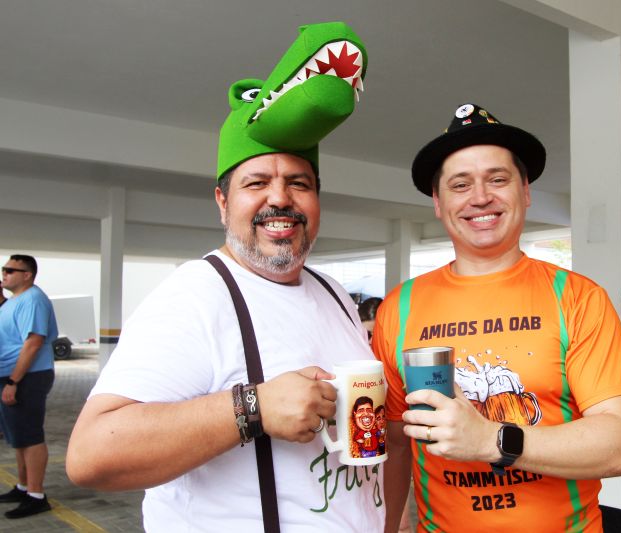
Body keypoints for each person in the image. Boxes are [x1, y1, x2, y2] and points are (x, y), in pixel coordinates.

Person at [66, 22, 384, 531]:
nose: (280, 199)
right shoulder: (193, 295)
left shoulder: (333, 292)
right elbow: (91, 455)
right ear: (222, 201)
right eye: (256, 183)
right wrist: (253, 407)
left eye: (299, 183)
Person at [372, 103, 621, 532]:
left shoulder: (576, 298)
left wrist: (492, 440)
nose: (481, 196)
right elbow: (394, 443)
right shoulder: (400, 308)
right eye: (460, 184)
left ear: (526, 191)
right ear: (439, 203)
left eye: (497, 179)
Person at [0, 254, 58, 519]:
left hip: (27, 376)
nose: (5, 273)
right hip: (13, 376)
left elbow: (33, 343)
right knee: (19, 436)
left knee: (30, 436)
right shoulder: (14, 301)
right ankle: (23, 487)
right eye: (4, 269)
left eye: (11, 270)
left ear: (27, 275)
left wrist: (14, 381)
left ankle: (36, 496)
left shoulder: (33, 299)